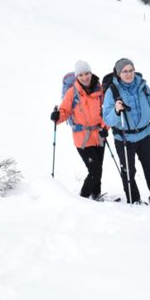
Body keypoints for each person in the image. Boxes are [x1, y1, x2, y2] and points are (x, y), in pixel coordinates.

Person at [102, 58, 150, 207]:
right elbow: (108, 119)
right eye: (125, 72)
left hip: (144, 135)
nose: (129, 74)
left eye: (131, 70)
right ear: (118, 73)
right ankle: (133, 199)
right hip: (124, 137)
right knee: (129, 170)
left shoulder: (143, 87)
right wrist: (116, 110)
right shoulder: (113, 91)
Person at [51, 60, 110, 200]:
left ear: (91, 73)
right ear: (77, 77)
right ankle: (82, 199)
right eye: (81, 75)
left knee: (98, 168)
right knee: (94, 170)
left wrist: (104, 127)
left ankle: (96, 195)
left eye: (87, 73)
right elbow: (65, 111)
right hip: (82, 138)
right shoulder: (72, 92)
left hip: (99, 135)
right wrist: (57, 117)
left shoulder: (100, 89)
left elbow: (106, 112)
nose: (85, 77)